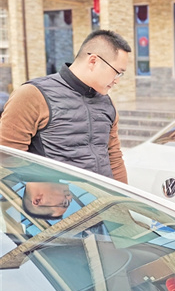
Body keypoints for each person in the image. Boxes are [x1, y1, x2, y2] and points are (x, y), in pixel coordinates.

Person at [0, 30, 130, 183]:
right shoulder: (33, 95)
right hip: (56, 197)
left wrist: (123, 196)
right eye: (117, 72)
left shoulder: (107, 103)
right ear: (93, 61)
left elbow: (114, 157)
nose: (117, 80)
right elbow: (8, 160)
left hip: (103, 197)